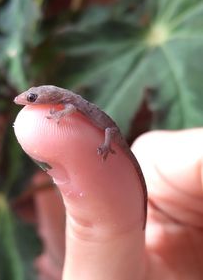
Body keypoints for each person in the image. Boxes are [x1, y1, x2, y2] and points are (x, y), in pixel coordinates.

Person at [14, 104, 203, 280]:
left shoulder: (69, 104)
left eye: (32, 98)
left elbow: (72, 111)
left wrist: (104, 145)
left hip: (109, 132)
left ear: (50, 96)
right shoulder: (66, 102)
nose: (24, 101)